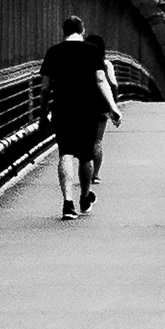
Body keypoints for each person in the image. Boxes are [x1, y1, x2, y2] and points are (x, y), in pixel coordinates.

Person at [36, 21, 115, 216]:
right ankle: (85, 196)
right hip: (88, 109)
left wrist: (42, 113)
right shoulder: (92, 51)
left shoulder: (53, 51)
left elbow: (45, 88)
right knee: (86, 156)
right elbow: (101, 79)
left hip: (62, 108)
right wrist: (113, 107)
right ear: (82, 31)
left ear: (63, 31)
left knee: (66, 153)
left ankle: (67, 202)